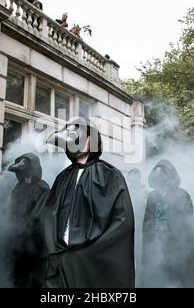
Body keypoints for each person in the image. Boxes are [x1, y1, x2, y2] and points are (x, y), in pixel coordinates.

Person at [41, 117, 135, 288]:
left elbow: (122, 223)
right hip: (60, 264)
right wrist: (54, 251)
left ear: (92, 139)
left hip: (92, 265)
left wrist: (86, 254)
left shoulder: (110, 176)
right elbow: (48, 216)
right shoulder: (62, 178)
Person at [141, 159, 194, 288]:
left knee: (176, 279)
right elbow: (148, 224)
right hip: (157, 249)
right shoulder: (152, 196)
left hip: (177, 248)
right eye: (157, 177)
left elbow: (187, 227)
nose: (160, 180)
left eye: (162, 177)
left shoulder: (183, 195)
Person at [7, 153, 50, 288]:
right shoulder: (17, 188)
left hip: (35, 242)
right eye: (21, 172)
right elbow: (12, 211)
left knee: (34, 278)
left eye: (25, 171)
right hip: (18, 241)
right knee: (18, 275)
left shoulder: (42, 188)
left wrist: (25, 232)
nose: (24, 174)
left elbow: (38, 215)